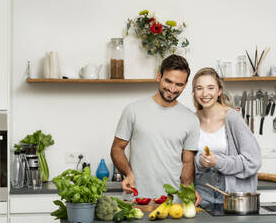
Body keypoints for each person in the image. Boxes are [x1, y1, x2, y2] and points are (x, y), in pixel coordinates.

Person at [111, 54, 201, 204]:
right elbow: (117, 148)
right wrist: (127, 173)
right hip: (136, 198)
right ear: (159, 76)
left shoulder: (191, 120)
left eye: (179, 85)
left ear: (185, 85)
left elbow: (187, 162)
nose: (172, 89)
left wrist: (188, 190)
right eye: (168, 81)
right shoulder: (133, 110)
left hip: (173, 202)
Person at [192, 67, 261, 208]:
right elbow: (187, 161)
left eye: (210, 88)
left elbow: (253, 161)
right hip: (202, 195)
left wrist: (218, 161)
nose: (205, 93)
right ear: (194, 92)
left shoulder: (232, 118)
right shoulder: (192, 120)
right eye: (199, 88)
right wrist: (199, 160)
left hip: (231, 197)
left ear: (219, 91)